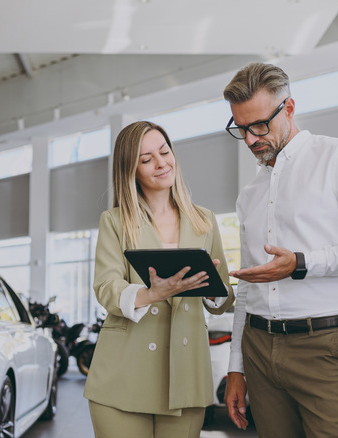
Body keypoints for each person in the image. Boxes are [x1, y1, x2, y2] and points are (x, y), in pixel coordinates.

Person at [221, 63, 338, 438]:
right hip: (258, 346)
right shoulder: (250, 194)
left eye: (259, 125)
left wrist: (302, 264)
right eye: (241, 128)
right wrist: (236, 367)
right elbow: (249, 287)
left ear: (288, 108)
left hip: (327, 346)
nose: (252, 139)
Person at [83, 120, 234, 438]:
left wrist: (210, 290)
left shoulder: (204, 219)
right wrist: (152, 293)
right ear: (131, 169)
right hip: (122, 374)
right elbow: (106, 286)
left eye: (164, 152)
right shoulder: (115, 220)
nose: (161, 163)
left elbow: (222, 298)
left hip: (186, 372)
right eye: (146, 158)